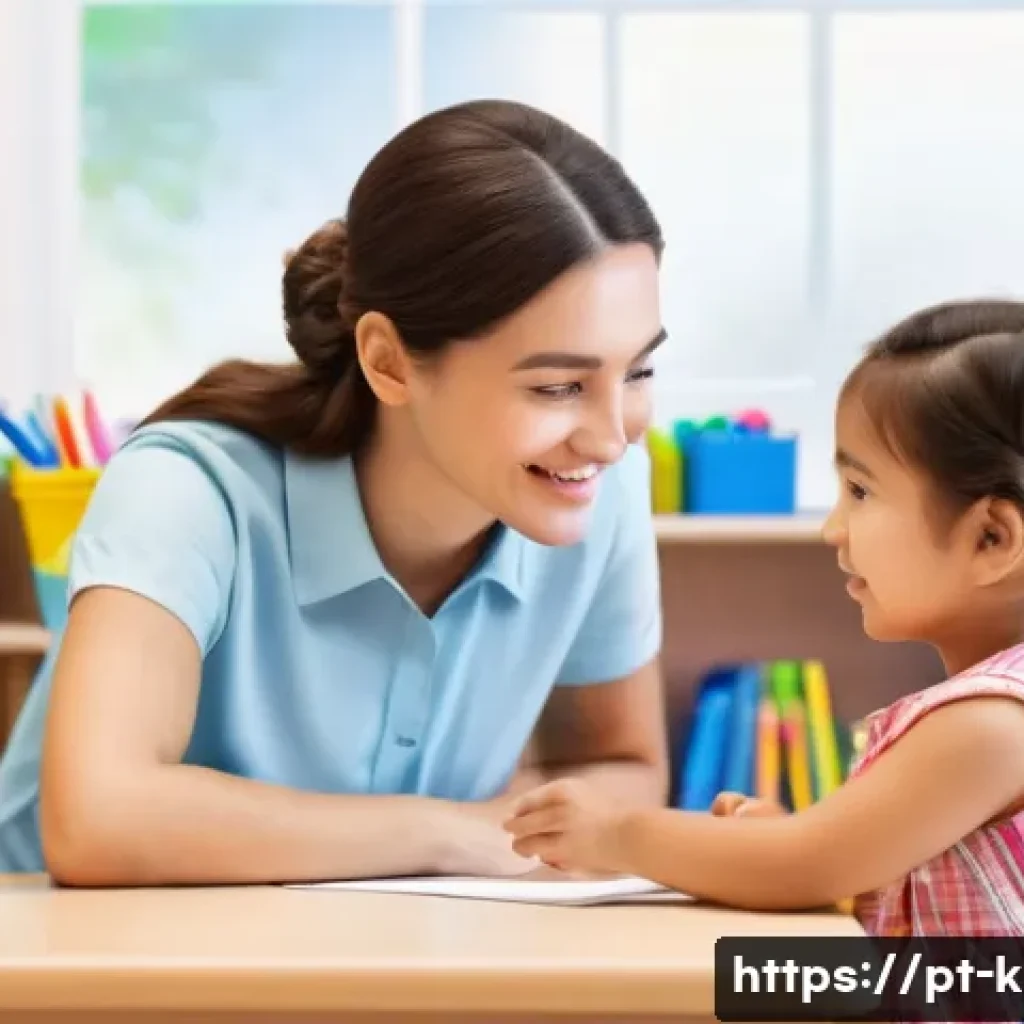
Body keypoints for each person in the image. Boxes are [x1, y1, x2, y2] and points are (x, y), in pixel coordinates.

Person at [0, 99, 672, 884]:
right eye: (557, 386)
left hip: (364, 956)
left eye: (638, 372)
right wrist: (449, 834)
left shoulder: (599, 490)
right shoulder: (187, 492)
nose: (610, 433)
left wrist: (492, 835)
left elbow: (620, 768)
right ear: (388, 361)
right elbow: (99, 821)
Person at [506, 298, 1024, 937]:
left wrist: (617, 832)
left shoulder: (993, 725)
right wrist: (778, 844)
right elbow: (836, 866)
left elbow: (812, 864)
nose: (834, 529)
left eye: (860, 492)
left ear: (994, 540)